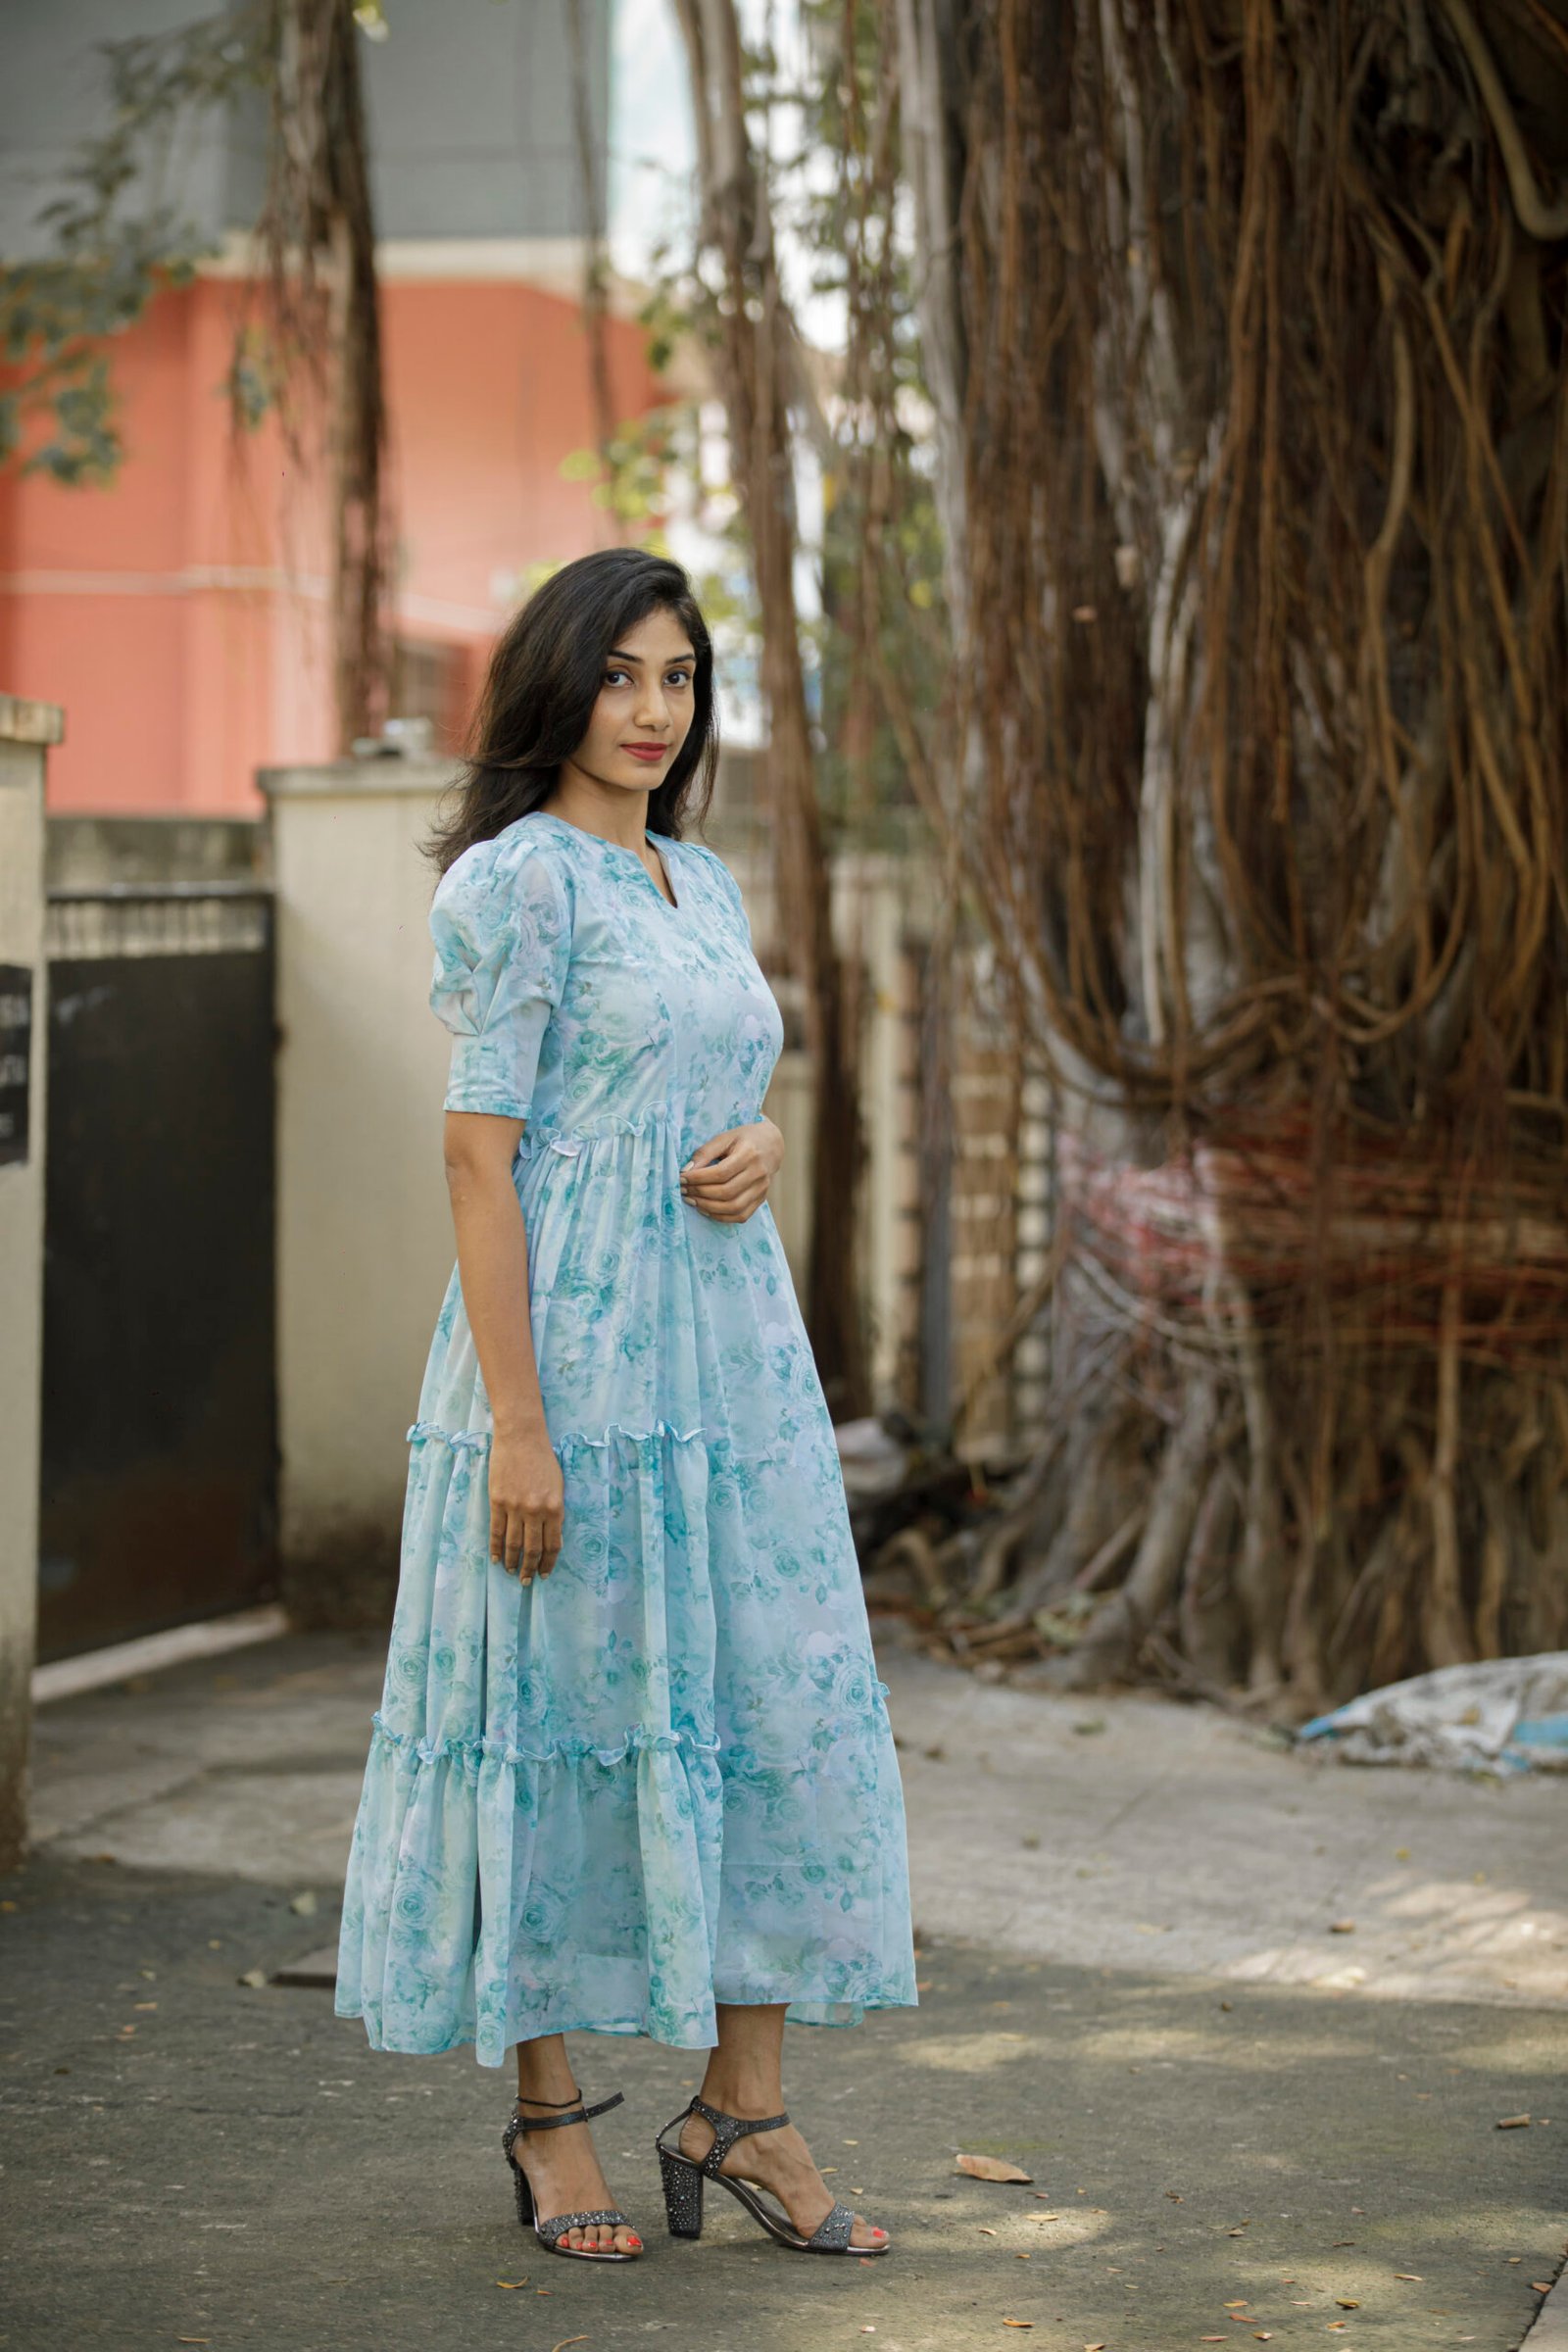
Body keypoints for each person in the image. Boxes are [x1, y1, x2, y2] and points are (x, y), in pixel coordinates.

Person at [334, 548, 917, 2263]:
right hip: (571, 1365)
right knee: (549, 1712)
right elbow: (477, 1155)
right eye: (620, 676)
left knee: (766, 1699)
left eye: (676, 678)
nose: (653, 711)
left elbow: (714, 1089)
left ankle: (745, 2108)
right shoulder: (516, 886)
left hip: (731, 1367)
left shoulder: (702, 883)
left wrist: (758, 1142)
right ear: (557, 687)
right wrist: (520, 1422)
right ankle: (547, 2120)